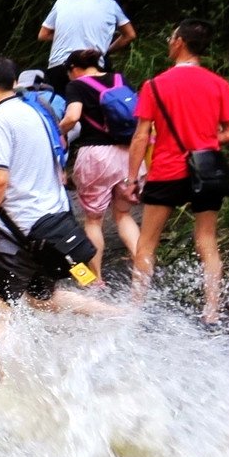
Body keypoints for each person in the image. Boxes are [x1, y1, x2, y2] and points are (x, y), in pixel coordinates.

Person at [0, 56, 113, 376]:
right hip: (55, 225)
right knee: (41, 297)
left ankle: (6, 387)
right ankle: (116, 314)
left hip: (17, 230)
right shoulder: (37, 111)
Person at [126, 19, 229, 326]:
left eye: (172, 37)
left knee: (147, 243)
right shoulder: (219, 84)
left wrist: (132, 178)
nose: (169, 41)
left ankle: (136, 307)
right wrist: (207, 140)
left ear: (180, 43)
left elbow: (141, 136)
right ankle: (211, 311)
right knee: (207, 240)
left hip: (167, 171)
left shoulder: (155, 85)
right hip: (207, 170)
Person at [58, 49, 139, 283]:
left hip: (96, 156)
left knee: (94, 220)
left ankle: (96, 280)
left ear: (74, 69)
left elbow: (73, 117)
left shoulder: (77, 86)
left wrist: (57, 131)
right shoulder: (119, 79)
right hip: (127, 153)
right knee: (123, 214)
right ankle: (142, 266)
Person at [39, 0, 136, 92]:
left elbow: (43, 35)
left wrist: (66, 35)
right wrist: (106, 51)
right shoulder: (109, 2)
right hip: (93, 67)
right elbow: (130, 35)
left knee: (60, 105)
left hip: (60, 66)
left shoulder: (63, 0)